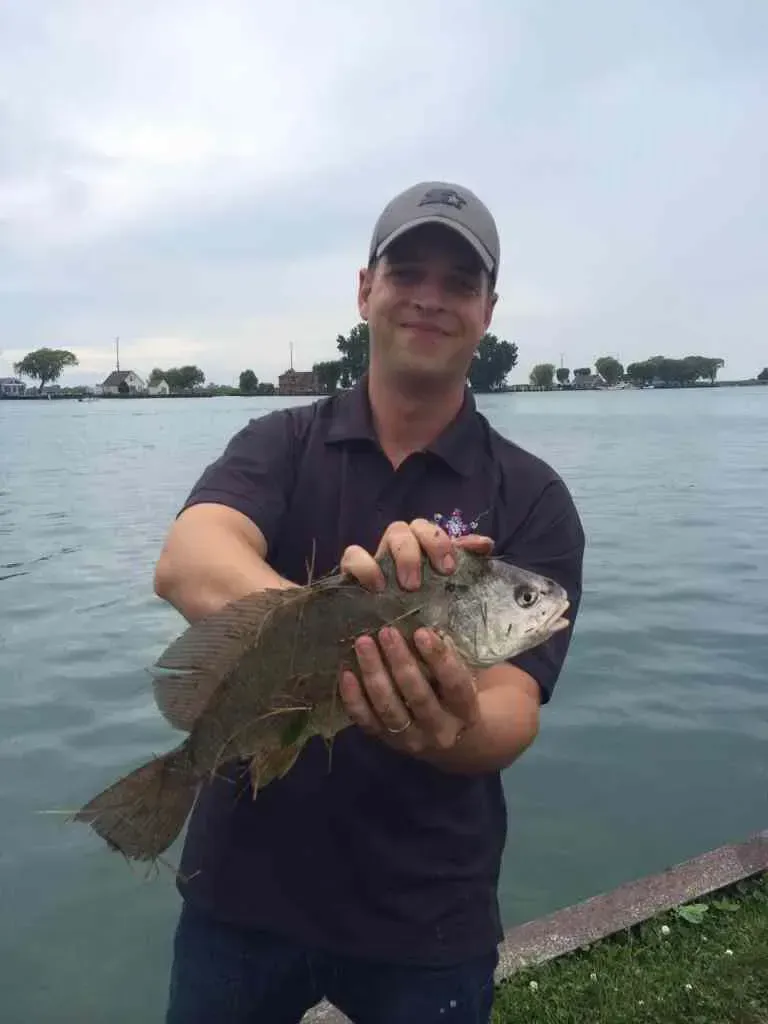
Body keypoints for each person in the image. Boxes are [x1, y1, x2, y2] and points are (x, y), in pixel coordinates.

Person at [154, 180, 585, 1023]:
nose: (430, 297)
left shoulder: (532, 494)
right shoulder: (280, 442)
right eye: (407, 272)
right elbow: (187, 559)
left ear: (488, 312)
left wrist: (439, 719)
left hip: (428, 911)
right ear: (365, 290)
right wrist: (339, 629)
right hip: (241, 890)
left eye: (459, 282)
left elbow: (512, 711)